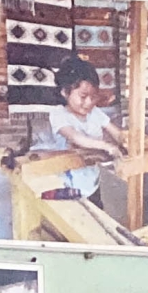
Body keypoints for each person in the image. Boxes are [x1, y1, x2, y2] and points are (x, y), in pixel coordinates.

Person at [34, 54, 125, 201]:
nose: (89, 102)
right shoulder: (59, 115)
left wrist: (125, 141)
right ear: (65, 92)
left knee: (96, 215)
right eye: (83, 96)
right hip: (67, 186)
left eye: (93, 96)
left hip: (93, 182)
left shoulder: (95, 113)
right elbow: (76, 137)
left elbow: (117, 133)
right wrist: (107, 146)